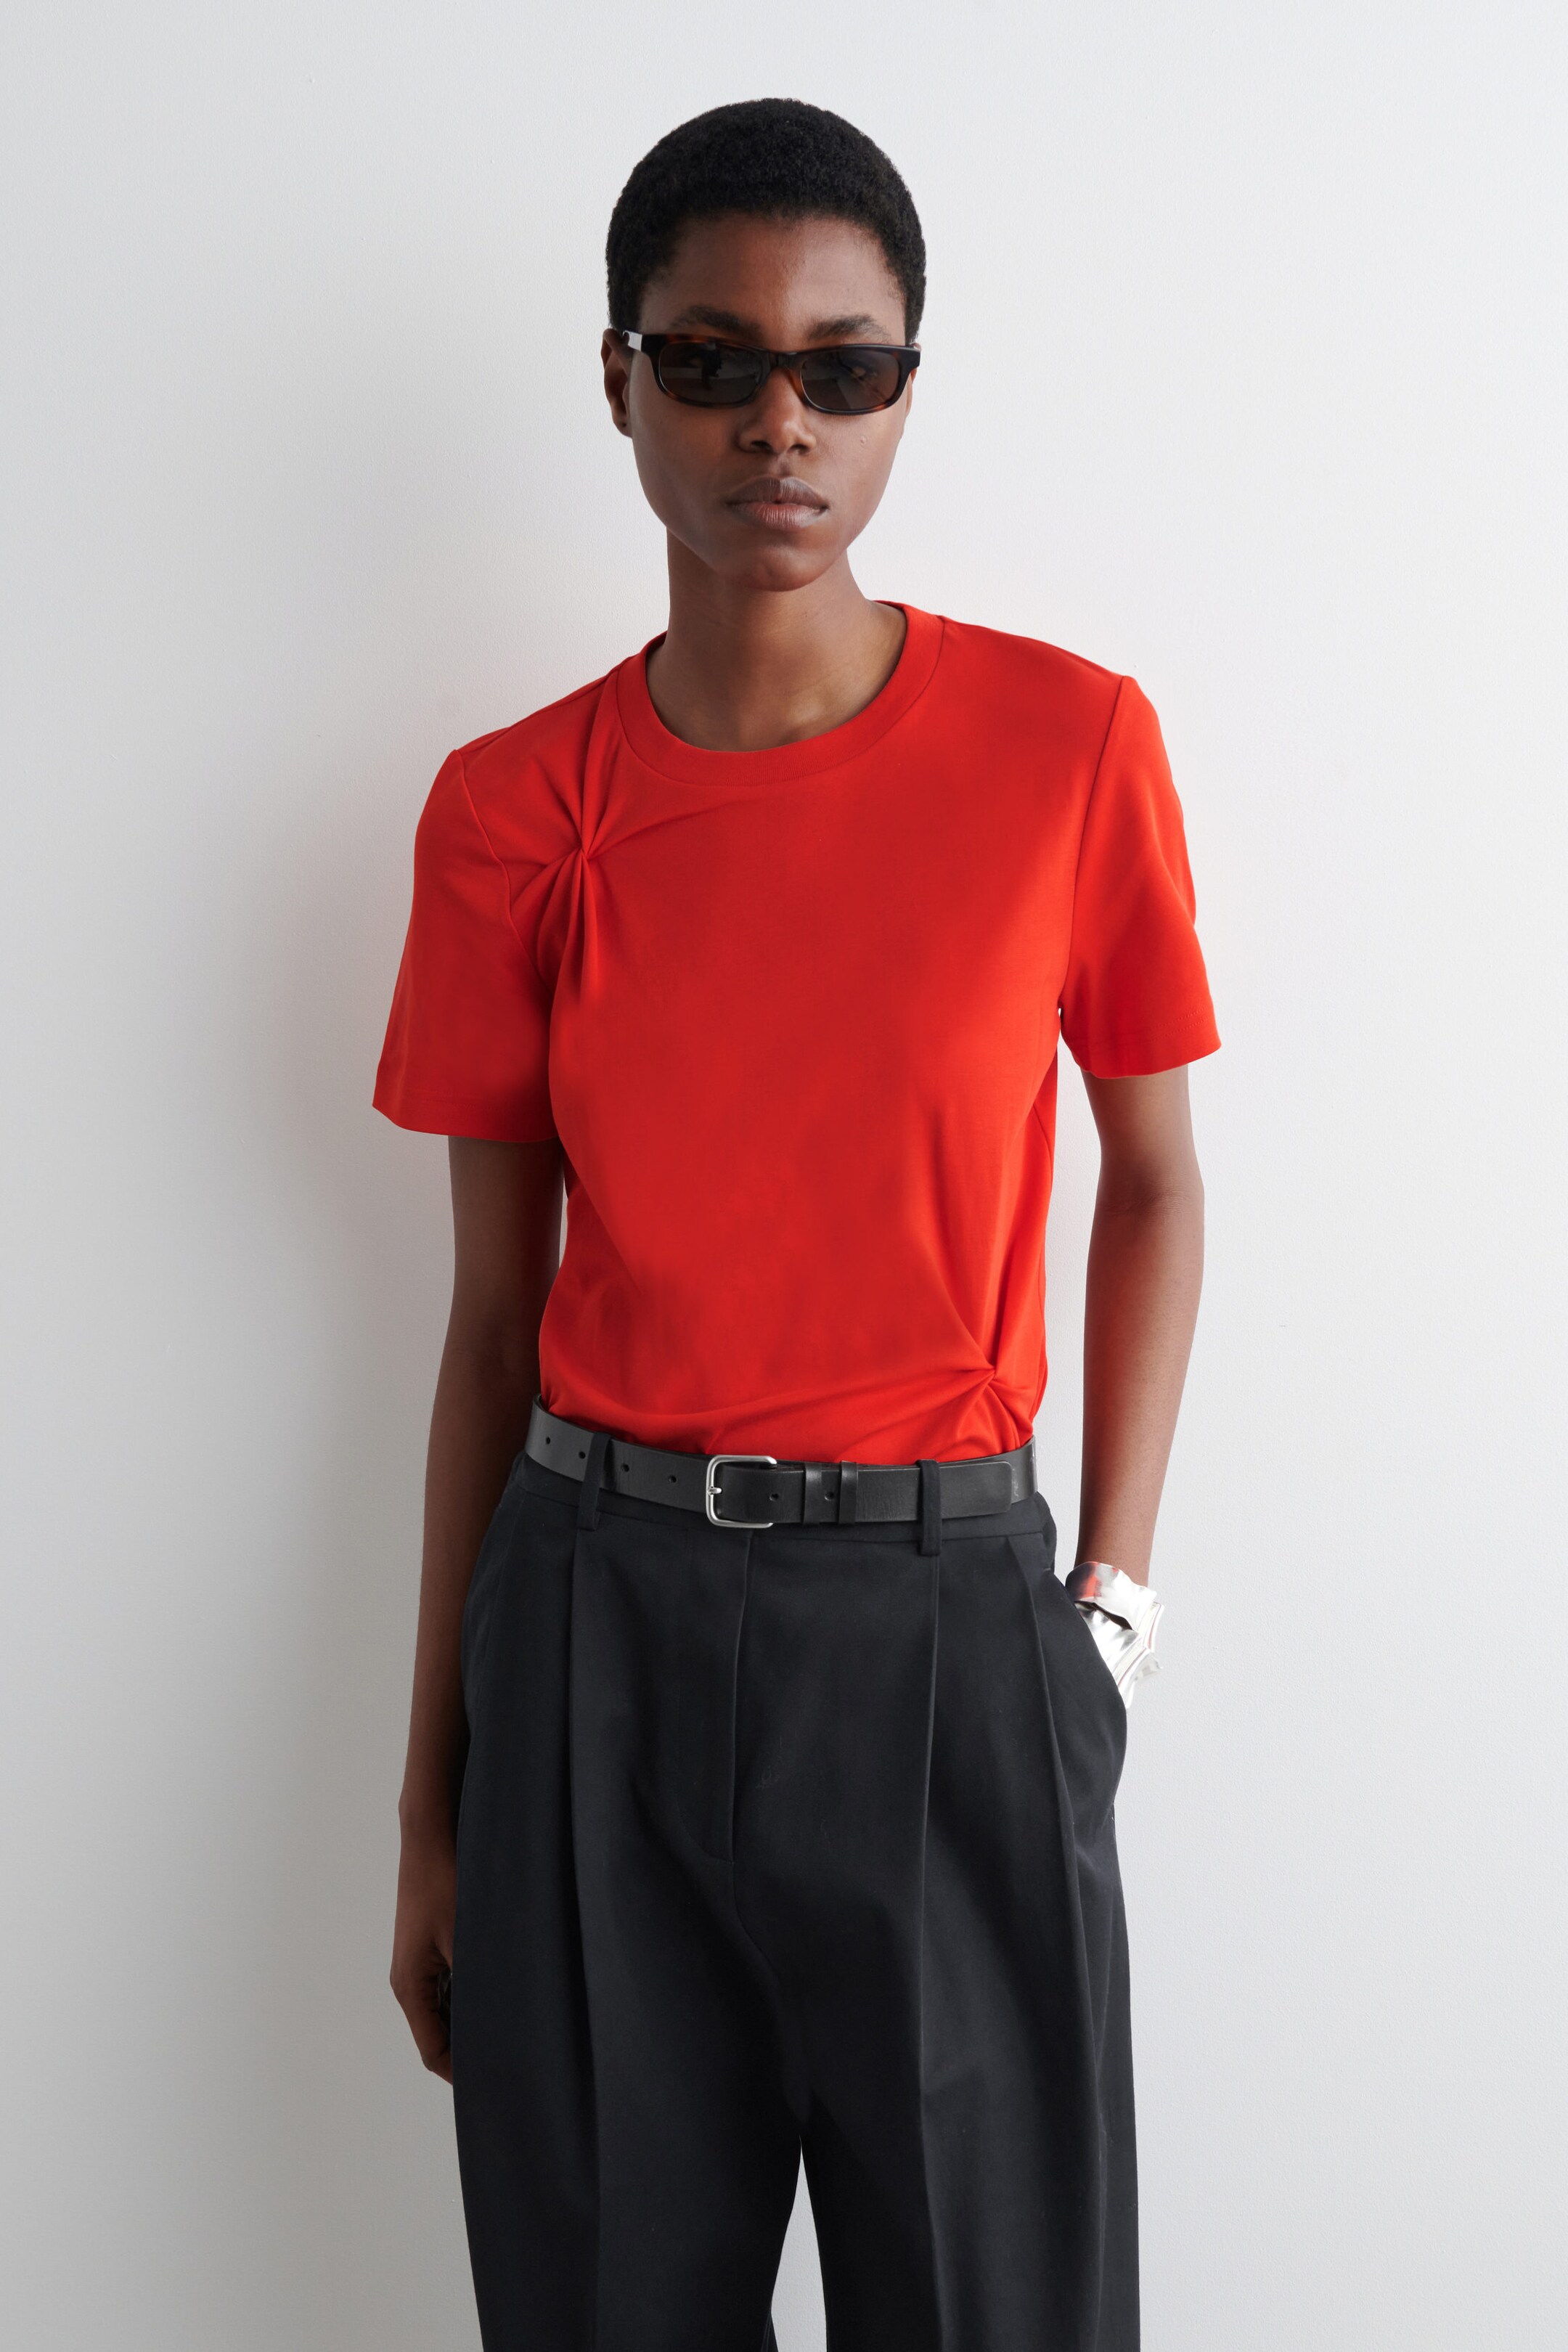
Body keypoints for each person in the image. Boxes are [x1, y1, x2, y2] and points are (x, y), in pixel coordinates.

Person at [375, 95, 1217, 2352]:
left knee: (998, 2309)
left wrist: (1112, 1611)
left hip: (948, 1634)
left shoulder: (1069, 749)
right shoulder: (512, 810)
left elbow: (1155, 1177)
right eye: (716, 360)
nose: (782, 423)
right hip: (596, 1636)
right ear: (621, 378)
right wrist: (435, 1797)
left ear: (906, 388)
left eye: (847, 367)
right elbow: (490, 1320)